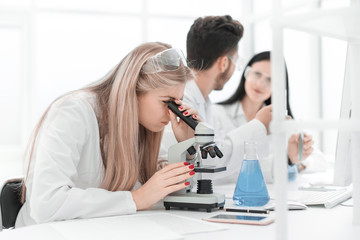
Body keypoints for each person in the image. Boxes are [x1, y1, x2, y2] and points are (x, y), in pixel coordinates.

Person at [16, 42, 200, 227]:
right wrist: (135, 199)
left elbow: (166, 194)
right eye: (167, 102)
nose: (172, 112)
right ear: (133, 90)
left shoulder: (143, 124)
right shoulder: (73, 113)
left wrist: (187, 146)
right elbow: (47, 204)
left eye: (178, 102)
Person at [159, 15, 273, 183]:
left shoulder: (203, 102)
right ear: (224, 63)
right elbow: (206, 162)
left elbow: (219, 164)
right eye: (235, 61)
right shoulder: (181, 101)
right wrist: (259, 125)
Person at [214, 51, 328, 183]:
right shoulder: (217, 113)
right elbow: (221, 168)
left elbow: (320, 161)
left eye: (270, 80)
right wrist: (284, 161)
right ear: (246, 73)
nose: (260, 84)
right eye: (257, 74)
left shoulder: (279, 121)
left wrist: (294, 162)